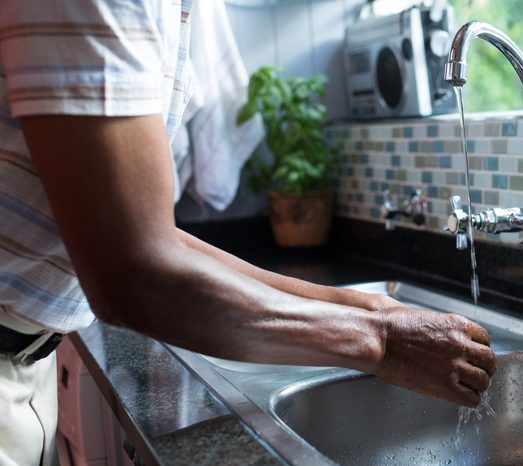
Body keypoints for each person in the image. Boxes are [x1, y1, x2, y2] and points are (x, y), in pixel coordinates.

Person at [0, 1, 496, 465]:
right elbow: (136, 273)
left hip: (27, 359)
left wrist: (371, 309)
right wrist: (385, 341)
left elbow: (151, 237)